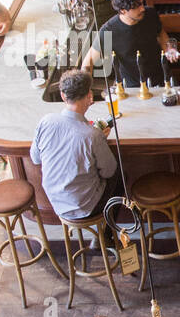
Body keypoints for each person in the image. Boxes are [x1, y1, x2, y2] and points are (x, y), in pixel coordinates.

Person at [30, 68, 121, 223]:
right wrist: (100, 140)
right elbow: (108, 171)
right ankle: (107, 234)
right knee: (120, 177)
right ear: (90, 96)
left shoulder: (46, 121)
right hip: (86, 206)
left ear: (63, 96)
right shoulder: (92, 135)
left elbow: (35, 159)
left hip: (56, 203)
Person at [82, 0, 180, 89]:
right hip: (133, 86)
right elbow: (87, 62)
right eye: (136, 6)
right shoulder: (108, 31)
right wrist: (84, 90)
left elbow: (161, 33)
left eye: (142, 3)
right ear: (123, 10)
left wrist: (169, 48)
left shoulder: (150, 14)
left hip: (162, 77)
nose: (142, 8)